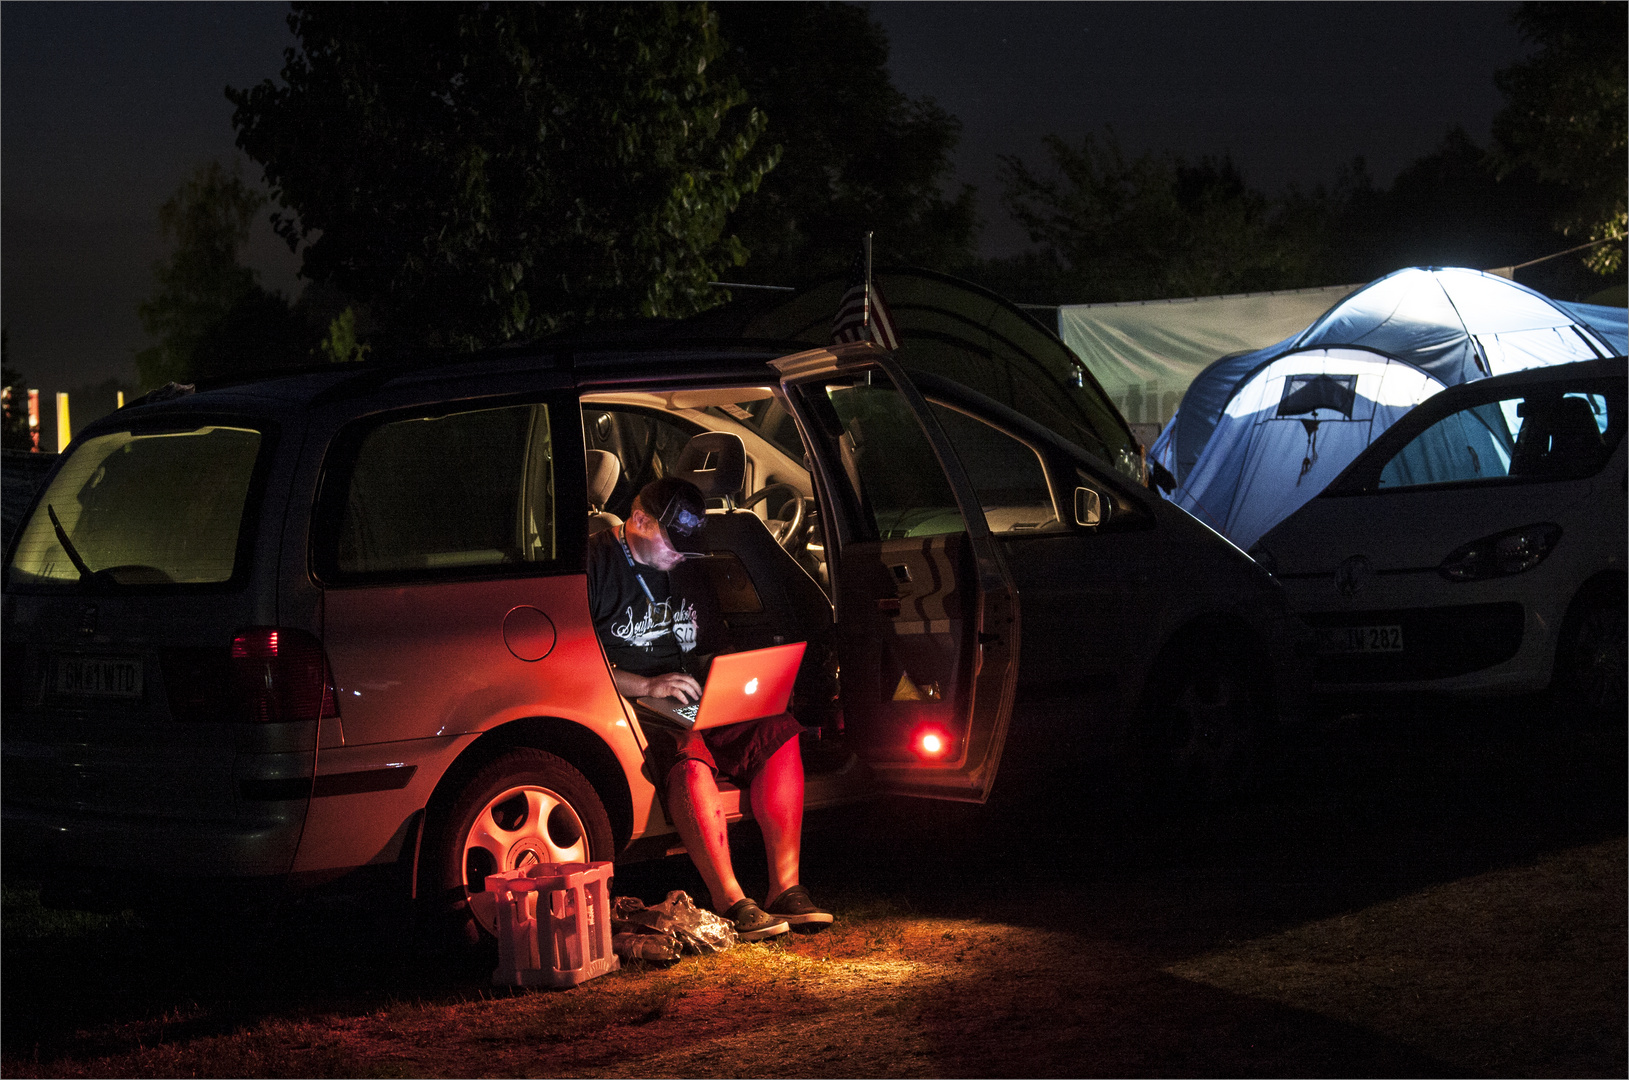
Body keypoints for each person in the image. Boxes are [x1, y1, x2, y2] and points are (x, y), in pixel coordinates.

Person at [587, 475, 832, 940]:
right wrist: (646, 683)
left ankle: (787, 889)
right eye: (672, 542)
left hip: (695, 695)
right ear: (639, 519)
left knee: (777, 730)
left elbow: (708, 645)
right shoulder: (595, 564)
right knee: (688, 751)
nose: (681, 554)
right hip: (630, 704)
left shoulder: (688, 565)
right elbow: (575, 660)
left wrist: (731, 684)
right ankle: (732, 899)